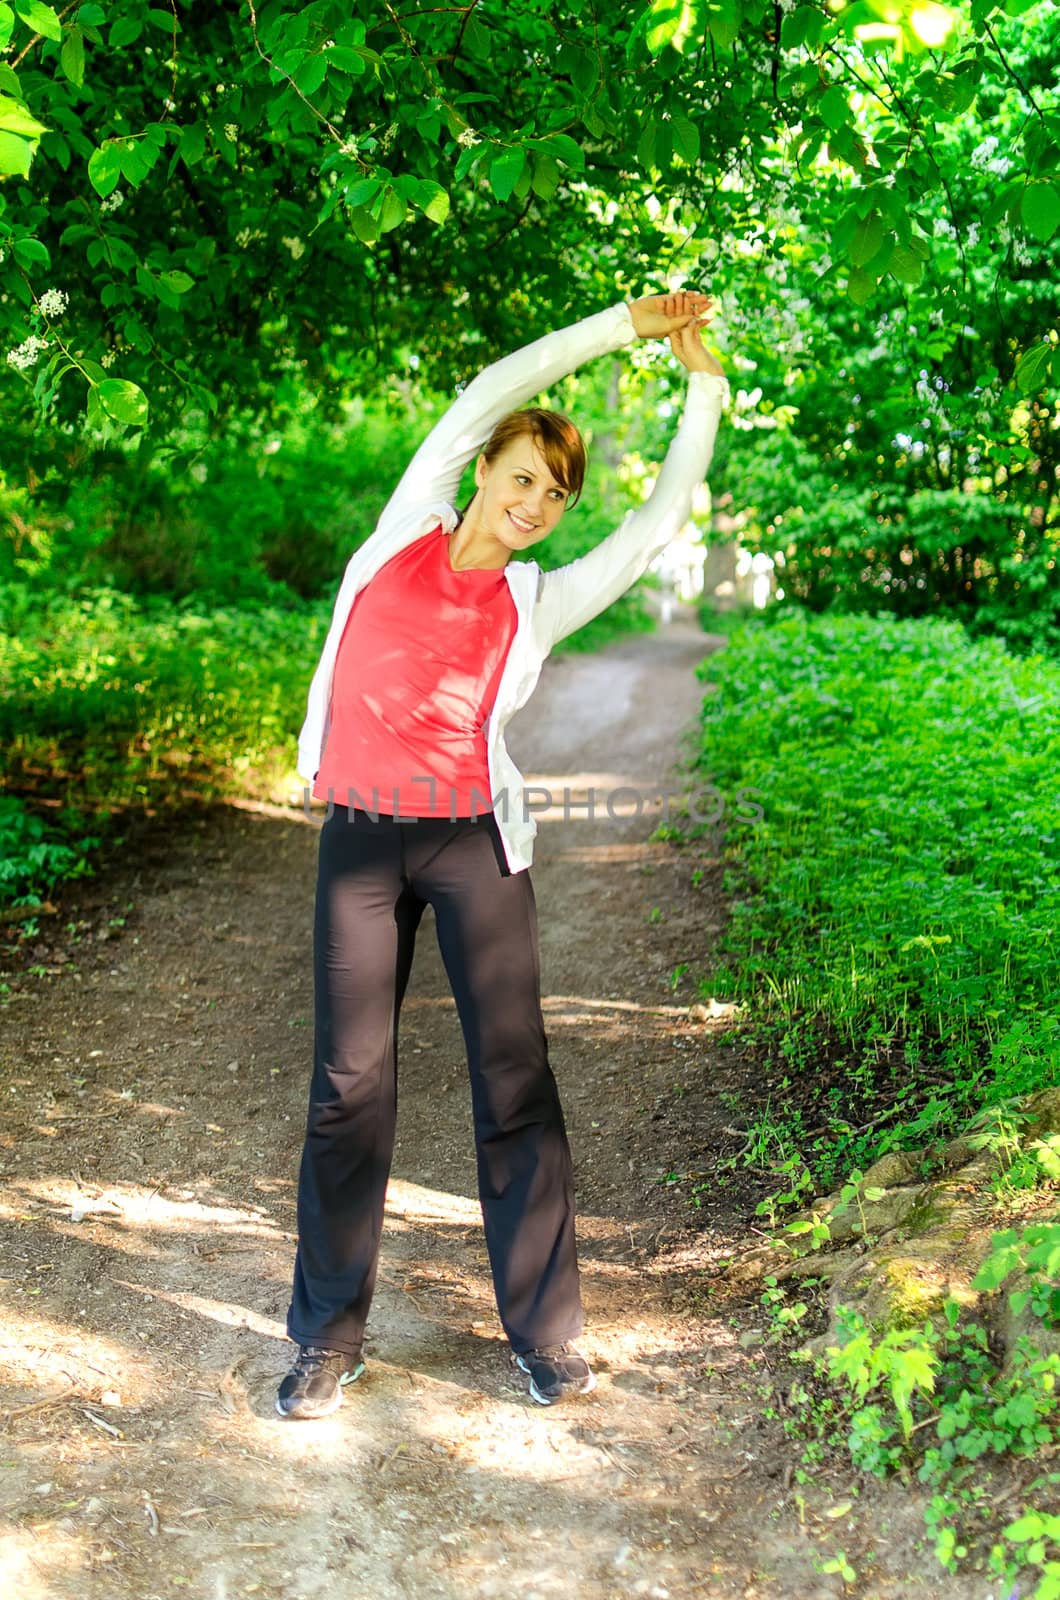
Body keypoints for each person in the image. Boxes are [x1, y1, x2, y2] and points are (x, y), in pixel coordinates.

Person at [277, 289, 729, 1419]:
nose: (536, 503)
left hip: (474, 844)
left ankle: (545, 1335)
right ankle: (328, 1336)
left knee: (514, 1083)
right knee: (347, 1090)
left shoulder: (538, 599)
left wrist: (703, 385)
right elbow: (494, 385)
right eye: (523, 476)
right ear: (484, 470)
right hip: (362, 843)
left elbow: (655, 526)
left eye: (556, 494)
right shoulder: (404, 527)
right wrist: (626, 325)